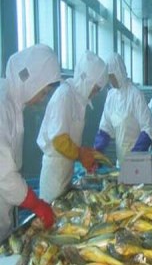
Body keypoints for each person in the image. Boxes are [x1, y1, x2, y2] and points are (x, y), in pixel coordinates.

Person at [0, 44, 61, 242]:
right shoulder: (2, 105)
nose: (42, 99)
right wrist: (35, 204)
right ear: (33, 81)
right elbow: (4, 173)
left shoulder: (14, 104)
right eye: (43, 92)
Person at [37, 51, 108, 203]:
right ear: (86, 81)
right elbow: (59, 139)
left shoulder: (78, 99)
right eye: (95, 88)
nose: (95, 93)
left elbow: (70, 138)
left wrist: (83, 154)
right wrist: (80, 154)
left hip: (66, 168)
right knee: (54, 209)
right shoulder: (64, 95)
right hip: (55, 172)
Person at [94, 53, 152, 162]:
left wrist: (135, 155)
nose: (111, 81)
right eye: (108, 77)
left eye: (112, 76)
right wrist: (97, 150)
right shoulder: (111, 96)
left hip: (138, 160)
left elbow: (148, 128)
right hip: (121, 159)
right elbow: (105, 127)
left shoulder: (135, 94)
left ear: (119, 72)